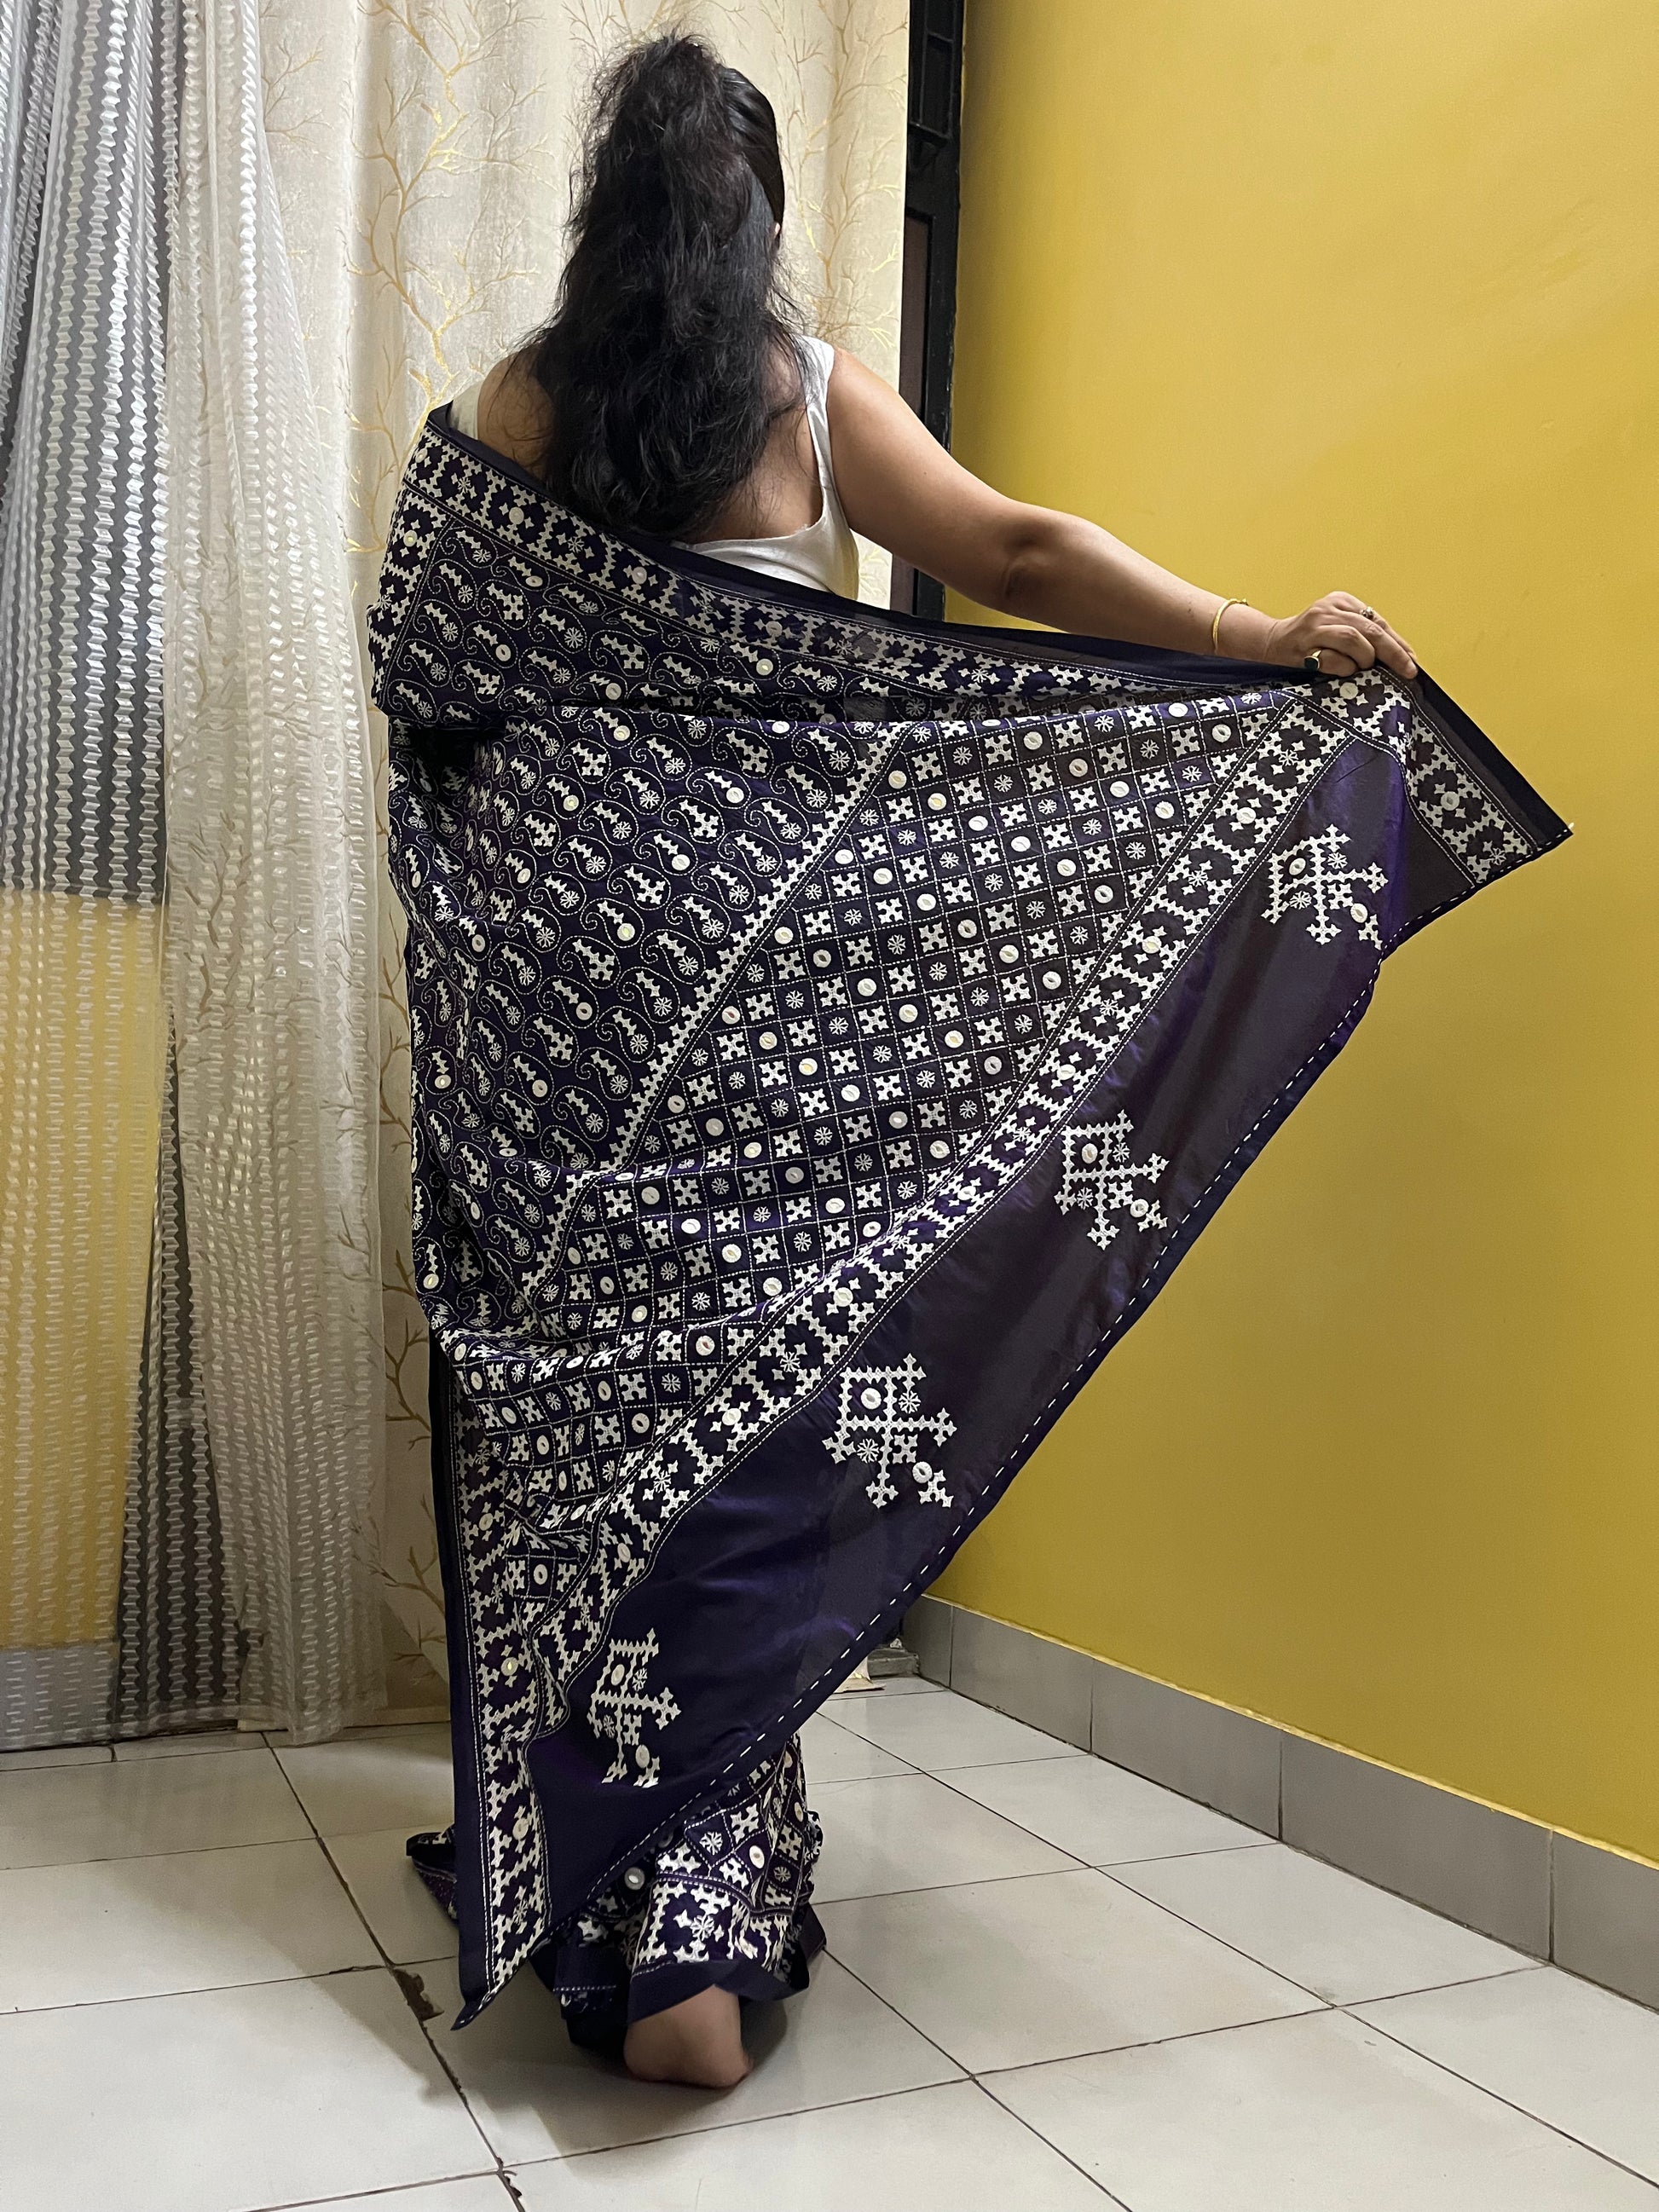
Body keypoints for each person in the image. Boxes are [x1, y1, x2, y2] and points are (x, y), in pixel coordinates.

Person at [392, 32, 1484, 2098]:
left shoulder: (507, 413)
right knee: (761, 1381)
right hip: (785, 1007)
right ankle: (696, 1898)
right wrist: (1260, 643)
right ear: (769, 220)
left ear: (599, 222)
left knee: (593, 1401)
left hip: (574, 1022)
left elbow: (424, 677)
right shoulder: (801, 394)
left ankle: (585, 1851)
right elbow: (1024, 557)